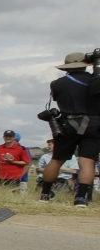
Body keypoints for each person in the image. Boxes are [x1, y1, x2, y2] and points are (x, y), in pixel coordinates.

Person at [39, 52, 100, 207]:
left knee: (57, 159)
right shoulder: (96, 80)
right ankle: (81, 198)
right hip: (93, 123)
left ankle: (45, 194)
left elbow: (58, 99)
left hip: (68, 123)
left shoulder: (57, 83)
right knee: (87, 162)